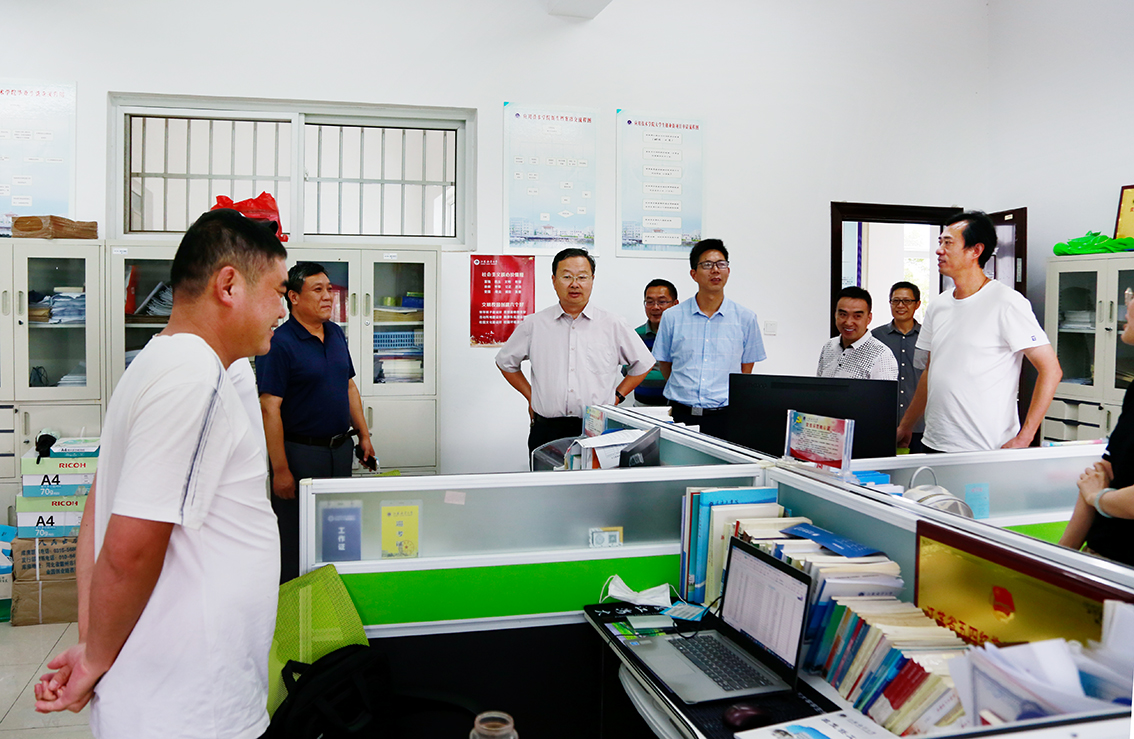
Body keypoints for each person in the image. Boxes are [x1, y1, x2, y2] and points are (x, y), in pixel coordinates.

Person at [33, 209, 289, 739]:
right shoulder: (194, 376)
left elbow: (97, 512)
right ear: (228, 286)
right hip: (192, 710)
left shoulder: (156, 363)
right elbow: (129, 548)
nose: (281, 310)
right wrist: (95, 657)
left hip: (163, 698)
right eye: (278, 291)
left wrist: (93, 645)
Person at [896, 211, 1062, 452]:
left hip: (984, 448)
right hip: (934, 442)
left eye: (948, 243)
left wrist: (1025, 438)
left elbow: (1051, 370)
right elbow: (930, 372)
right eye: (940, 242)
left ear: (976, 250)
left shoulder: (1007, 302)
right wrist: (906, 424)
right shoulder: (938, 305)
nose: (939, 250)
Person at [257, 261, 376, 583]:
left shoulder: (335, 333)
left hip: (340, 449)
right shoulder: (278, 343)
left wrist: (364, 436)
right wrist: (280, 470)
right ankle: (294, 601)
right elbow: (270, 408)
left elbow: (348, 386)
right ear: (293, 297)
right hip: (301, 455)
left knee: (339, 529)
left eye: (329, 289)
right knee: (297, 535)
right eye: (318, 290)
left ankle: (336, 596)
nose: (328, 296)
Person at [496, 247, 655, 457]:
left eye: (582, 277)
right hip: (547, 429)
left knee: (595, 479)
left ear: (592, 280)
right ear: (554, 280)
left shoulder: (612, 324)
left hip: (596, 429)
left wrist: (617, 396)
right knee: (546, 478)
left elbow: (643, 363)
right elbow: (505, 362)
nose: (574, 284)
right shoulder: (534, 324)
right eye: (567, 276)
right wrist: (531, 396)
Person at [652, 239, 766, 438]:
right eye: (707, 265)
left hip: (724, 417)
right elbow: (665, 364)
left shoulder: (745, 318)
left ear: (728, 271)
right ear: (693, 274)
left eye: (721, 264)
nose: (715, 270)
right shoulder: (672, 317)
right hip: (680, 415)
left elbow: (745, 369)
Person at [1059, 287, 1134, 565]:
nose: (1127, 303)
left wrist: (1098, 498)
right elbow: (1103, 470)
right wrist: (1060, 556)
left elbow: (1097, 490)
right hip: (1102, 556)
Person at [873, 281, 927, 450]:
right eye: (895, 301)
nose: (900, 305)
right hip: (884, 423)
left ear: (917, 304)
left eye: (907, 301)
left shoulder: (928, 338)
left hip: (920, 425)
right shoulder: (876, 337)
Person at [816, 286, 898, 380]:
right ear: (835, 315)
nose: (848, 322)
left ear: (869, 318)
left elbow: (884, 390)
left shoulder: (881, 355)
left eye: (857, 316)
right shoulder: (829, 347)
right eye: (843, 314)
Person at [631, 279, 679, 405]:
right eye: (650, 302)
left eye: (662, 302)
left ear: (675, 304)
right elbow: (630, 372)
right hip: (642, 407)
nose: (655, 307)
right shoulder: (636, 336)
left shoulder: (683, 336)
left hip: (677, 408)